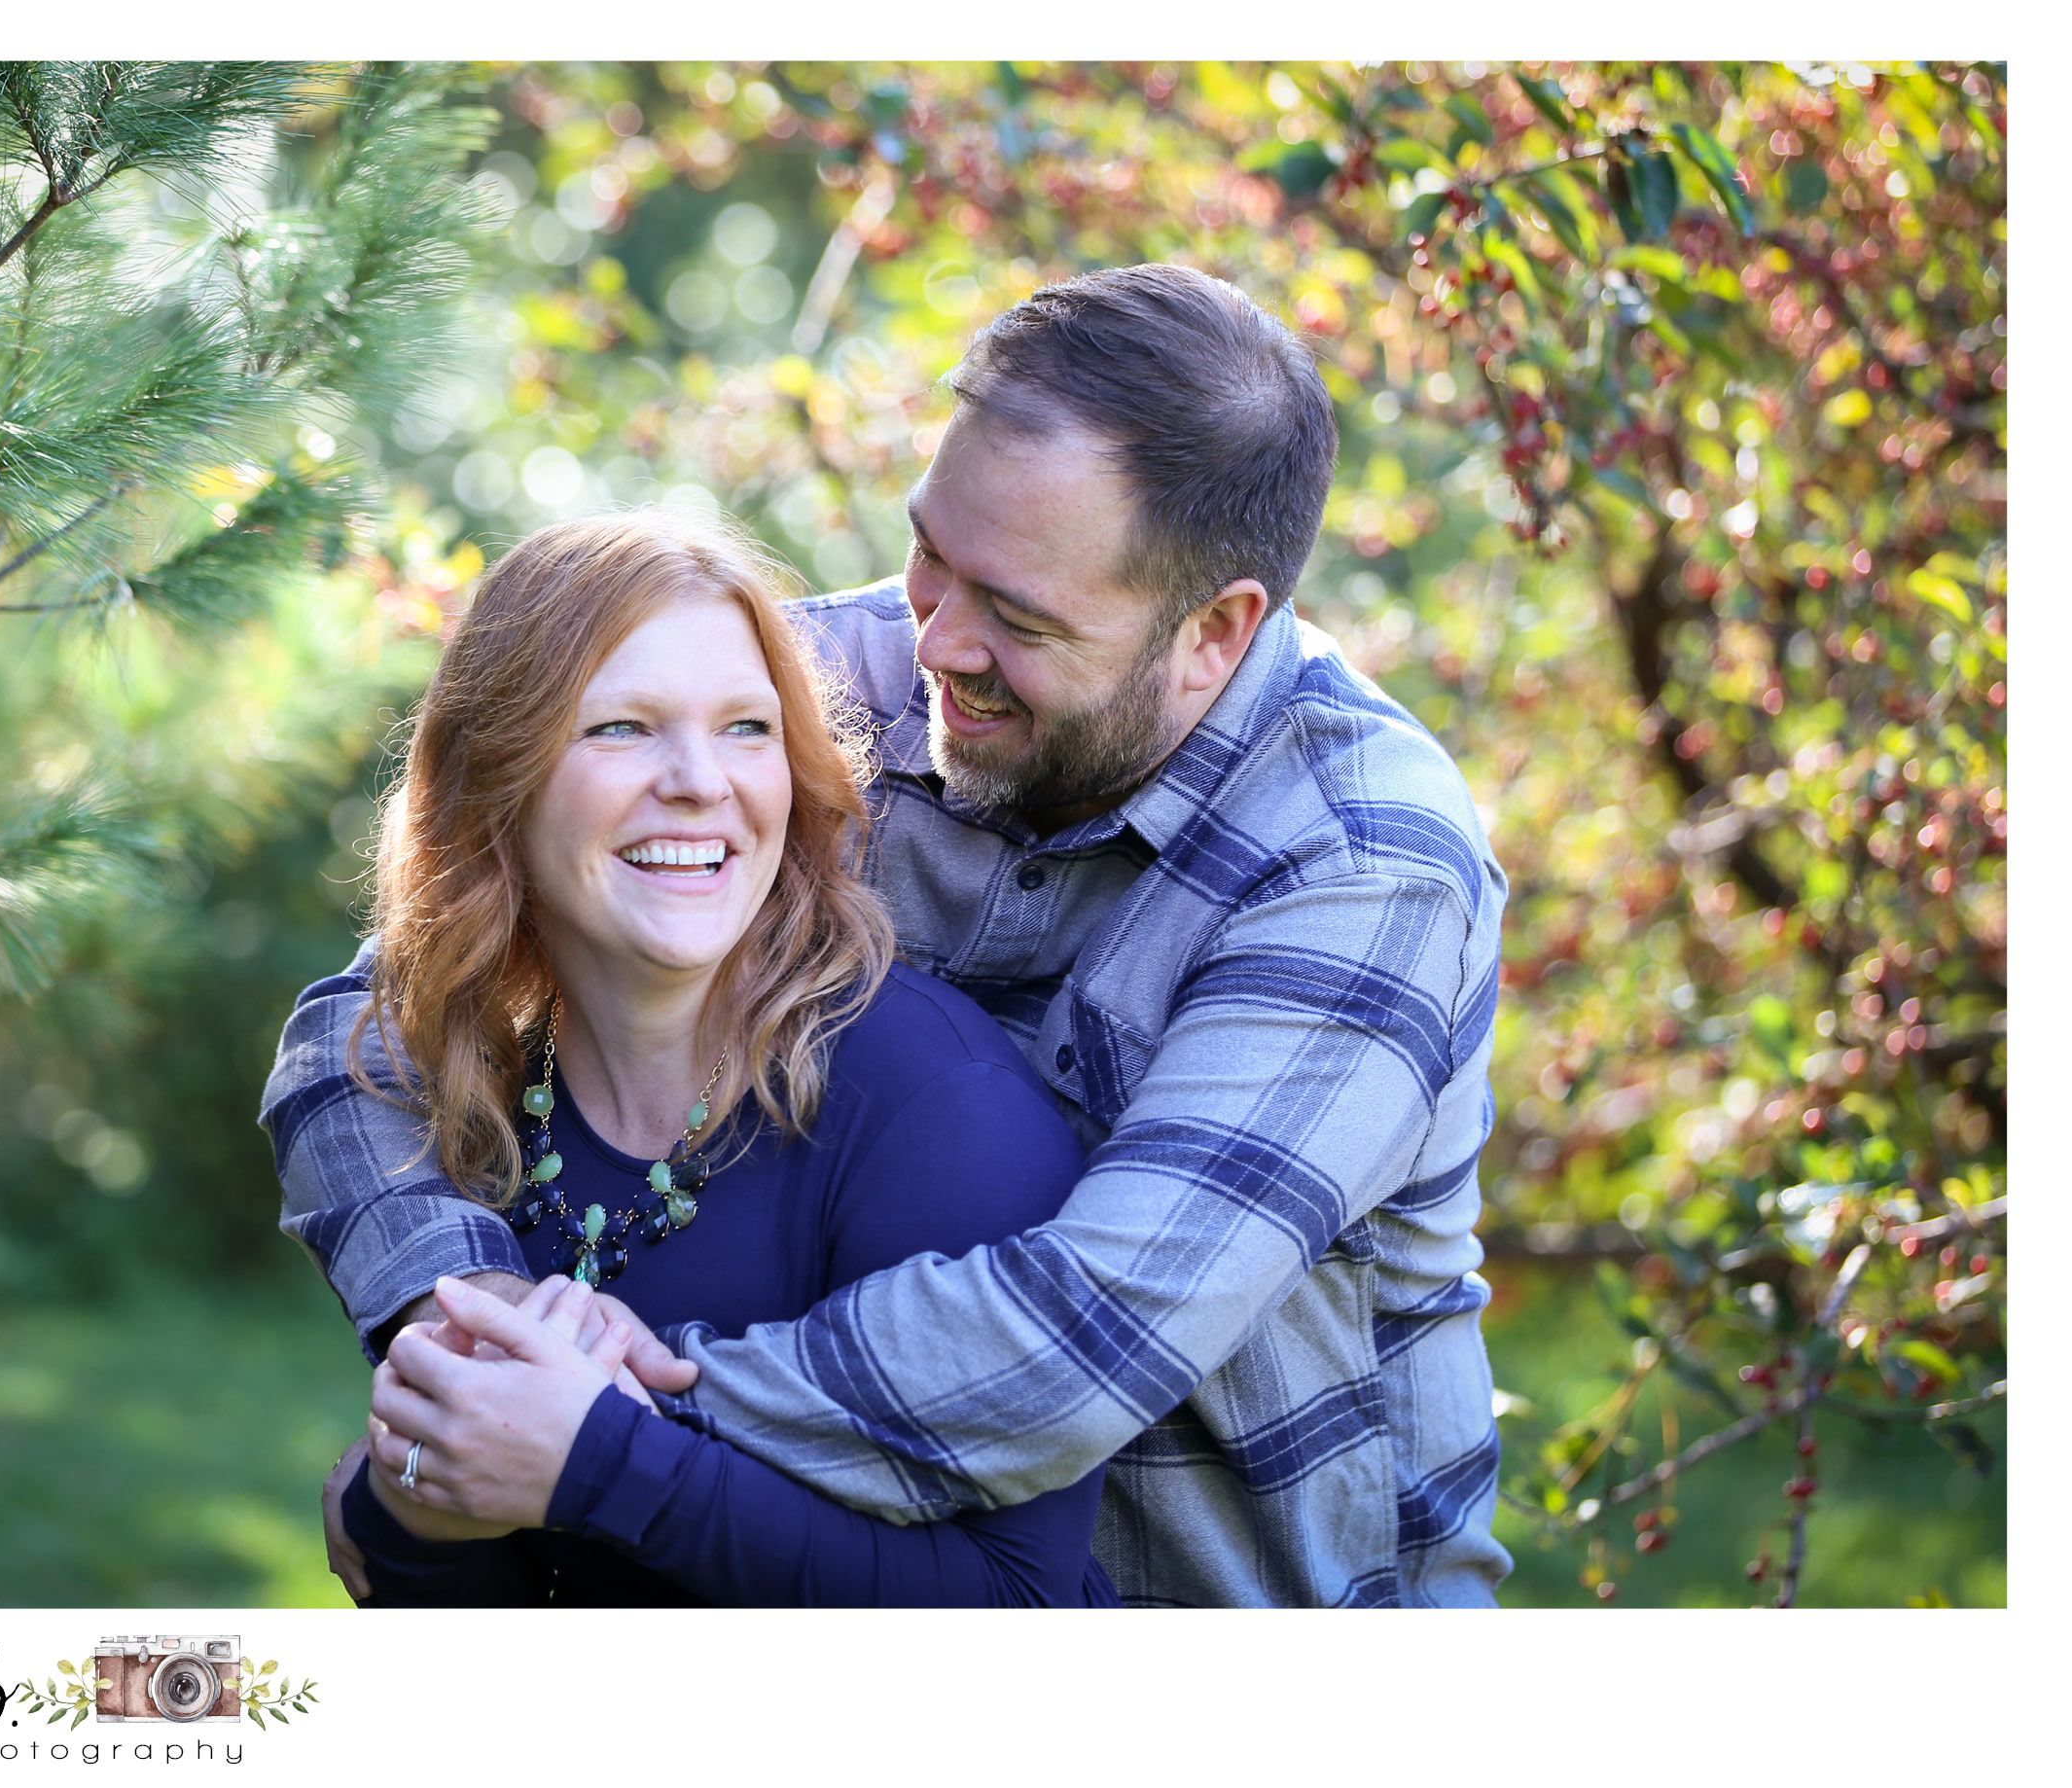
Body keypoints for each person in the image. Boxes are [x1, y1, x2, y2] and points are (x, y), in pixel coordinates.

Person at [268, 264, 1511, 1608]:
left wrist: (589, 1419)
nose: (936, 643)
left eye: (1018, 617)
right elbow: (380, 1019)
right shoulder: (824, 687)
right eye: (930, 553)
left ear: (1212, 632)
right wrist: (464, 1323)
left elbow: (1071, 1345)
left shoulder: (1358, 865)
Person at [313, 507, 1116, 1606]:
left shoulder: (935, 1111)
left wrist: (601, 1466)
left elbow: (1026, 1616)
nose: (700, 780)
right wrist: (407, 1510)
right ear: (496, 779)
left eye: (746, 727)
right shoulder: (482, 1089)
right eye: (621, 728)